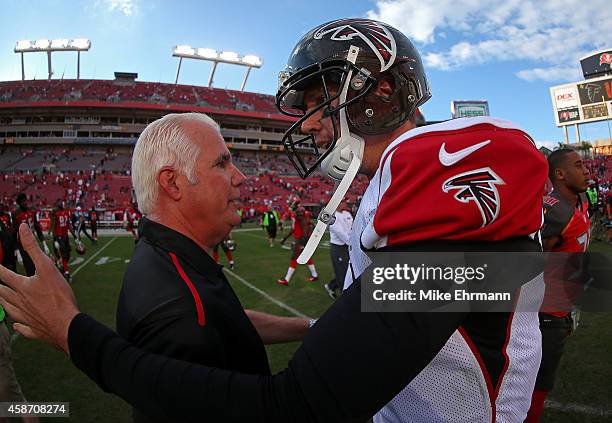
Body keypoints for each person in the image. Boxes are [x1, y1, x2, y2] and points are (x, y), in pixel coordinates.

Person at [0, 19, 548, 422]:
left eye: (318, 101)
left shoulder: (442, 160)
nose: (308, 125)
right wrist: (317, 329)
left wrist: (74, 335)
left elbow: (294, 407)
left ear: (378, 92)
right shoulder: (384, 185)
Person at [116, 112, 309, 423]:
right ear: (173, 183)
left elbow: (228, 321)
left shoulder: (169, 257)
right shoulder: (179, 310)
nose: (240, 177)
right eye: (221, 163)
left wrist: (311, 328)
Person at [525, 148, 590, 423]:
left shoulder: (580, 200)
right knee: (536, 387)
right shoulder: (554, 212)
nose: (586, 170)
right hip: (545, 315)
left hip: (561, 309)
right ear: (560, 174)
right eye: (578, 165)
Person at [277, 206, 318, 285]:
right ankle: (315, 275)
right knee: (307, 257)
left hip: (301, 239)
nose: (299, 215)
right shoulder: (296, 217)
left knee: (294, 257)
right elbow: (293, 229)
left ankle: (286, 280)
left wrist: (303, 240)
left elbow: (305, 226)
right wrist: (285, 238)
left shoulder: (301, 218)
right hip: (301, 239)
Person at [12, 193, 47, 276]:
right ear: (19, 203)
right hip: (23, 245)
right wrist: (16, 250)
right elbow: (14, 232)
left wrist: (44, 243)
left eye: (25, 200)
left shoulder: (32, 211)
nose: (24, 203)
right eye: (22, 201)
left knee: (38, 265)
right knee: (29, 267)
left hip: (33, 242)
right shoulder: (16, 214)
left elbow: (37, 227)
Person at [324, 201, 352, 299]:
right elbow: (340, 233)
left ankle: (331, 286)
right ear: (338, 203)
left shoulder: (347, 214)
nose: (346, 204)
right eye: (344, 202)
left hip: (347, 246)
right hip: (338, 247)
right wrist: (352, 243)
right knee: (342, 272)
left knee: (348, 271)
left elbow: (352, 228)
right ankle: (344, 298)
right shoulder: (332, 216)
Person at [49, 199, 74, 281]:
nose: (62, 203)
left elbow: (69, 224)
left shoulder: (66, 212)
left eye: (62, 202)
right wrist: (55, 238)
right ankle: (66, 272)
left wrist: (74, 236)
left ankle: (61, 265)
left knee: (68, 253)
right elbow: (53, 226)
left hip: (65, 236)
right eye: (59, 202)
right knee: (63, 253)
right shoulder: (55, 213)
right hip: (59, 237)